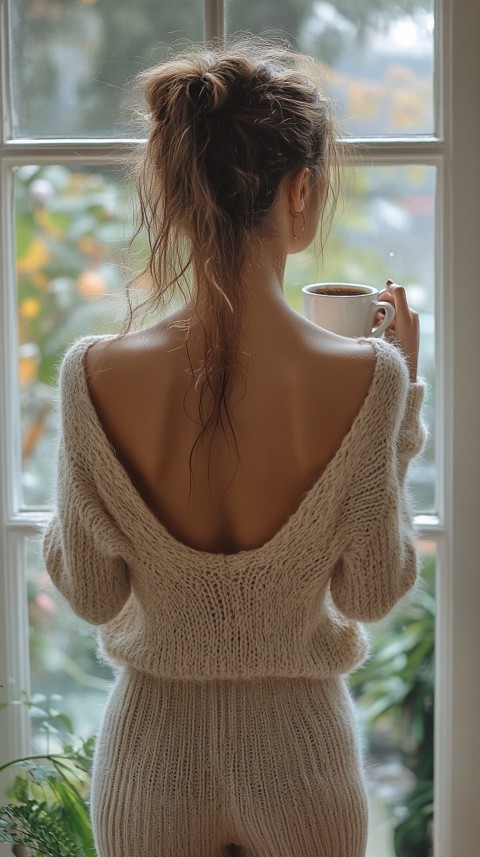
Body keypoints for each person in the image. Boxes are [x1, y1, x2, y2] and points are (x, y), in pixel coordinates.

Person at [43, 39, 426, 857]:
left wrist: (86, 483)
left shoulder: (93, 373)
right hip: (304, 759)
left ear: (178, 195)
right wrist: (397, 420)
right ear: (301, 188)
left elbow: (90, 590)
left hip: (152, 757)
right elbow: (373, 588)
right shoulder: (372, 378)